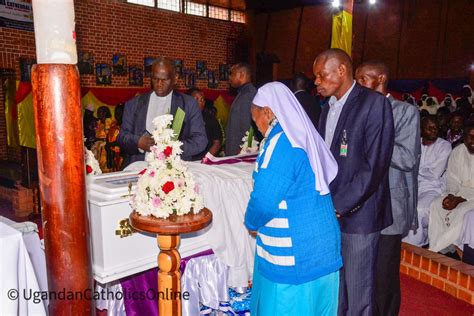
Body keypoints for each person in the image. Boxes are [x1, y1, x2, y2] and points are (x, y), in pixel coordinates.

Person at [244, 81, 341, 315]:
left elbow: (265, 200)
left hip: (297, 252)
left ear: (267, 112)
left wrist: (250, 222)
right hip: (322, 247)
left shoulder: (282, 143)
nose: (255, 126)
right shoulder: (301, 135)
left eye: (255, 117)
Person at [314, 49, 394, 316]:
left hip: (360, 214)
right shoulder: (327, 109)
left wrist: (339, 205)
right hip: (330, 210)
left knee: (359, 293)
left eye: (321, 75)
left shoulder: (374, 104)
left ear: (341, 71)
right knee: (336, 287)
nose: (317, 81)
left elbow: (374, 166)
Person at [355, 61, 420, 316]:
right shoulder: (359, 111)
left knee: (384, 277)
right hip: (363, 204)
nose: (358, 84)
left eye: (363, 79)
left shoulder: (405, 112)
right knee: (362, 272)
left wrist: (375, 141)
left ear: (380, 78)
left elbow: (407, 158)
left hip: (391, 205)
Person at [118, 58, 207, 166]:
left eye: (164, 80)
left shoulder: (188, 104)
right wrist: (138, 142)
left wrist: (173, 147)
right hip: (139, 167)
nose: (159, 84)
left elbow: (201, 140)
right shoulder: (134, 104)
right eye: (155, 79)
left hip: (175, 168)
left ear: (175, 79)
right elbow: (122, 137)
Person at [403, 116, 452, 247]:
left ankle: (416, 246)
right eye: (429, 128)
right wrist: (416, 168)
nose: (433, 130)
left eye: (435, 128)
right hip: (411, 186)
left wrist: (415, 168)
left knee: (418, 209)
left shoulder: (445, 146)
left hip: (433, 188)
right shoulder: (414, 143)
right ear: (421, 129)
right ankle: (401, 243)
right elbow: (405, 165)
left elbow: (435, 174)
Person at [428, 124, 474, 253]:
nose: (472, 140)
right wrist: (452, 195)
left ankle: (433, 250)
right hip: (458, 192)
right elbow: (452, 178)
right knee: (436, 204)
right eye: (469, 136)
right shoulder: (458, 151)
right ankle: (442, 247)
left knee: (462, 213)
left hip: (472, 198)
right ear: (463, 137)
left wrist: (461, 198)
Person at [225, 62, 257, 156]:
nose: (229, 78)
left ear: (242, 74)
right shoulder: (243, 93)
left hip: (240, 152)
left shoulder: (248, 94)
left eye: (232, 74)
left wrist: (244, 149)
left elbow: (248, 126)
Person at [187, 88, 223, 159]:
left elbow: (217, 143)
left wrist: (206, 159)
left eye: (202, 99)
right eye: (196, 99)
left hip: (205, 160)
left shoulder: (210, 119)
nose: (200, 102)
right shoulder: (182, 118)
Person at [105, 104, 125, 171]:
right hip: (112, 155)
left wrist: (111, 144)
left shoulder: (126, 126)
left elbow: (125, 140)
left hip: (121, 156)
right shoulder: (113, 124)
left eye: (119, 113)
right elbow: (108, 136)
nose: (117, 115)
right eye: (116, 113)